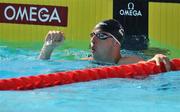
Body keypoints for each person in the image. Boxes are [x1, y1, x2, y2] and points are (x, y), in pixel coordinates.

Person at [38, 19, 171, 71]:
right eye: (92, 36)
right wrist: (48, 48)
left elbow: (147, 65)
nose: (93, 41)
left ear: (115, 42)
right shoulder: (87, 62)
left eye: (100, 36)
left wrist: (156, 58)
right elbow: (50, 69)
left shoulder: (126, 62)